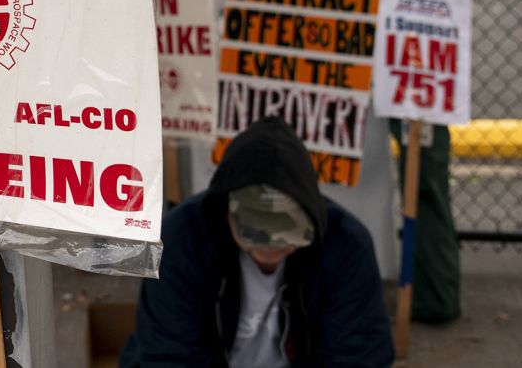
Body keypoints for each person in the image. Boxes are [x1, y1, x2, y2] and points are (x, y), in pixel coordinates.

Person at [121, 116, 393, 367]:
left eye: (285, 230)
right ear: (225, 209)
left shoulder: (347, 245)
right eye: (255, 229)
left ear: (312, 216)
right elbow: (169, 356)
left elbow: (358, 357)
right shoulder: (181, 238)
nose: (269, 245)